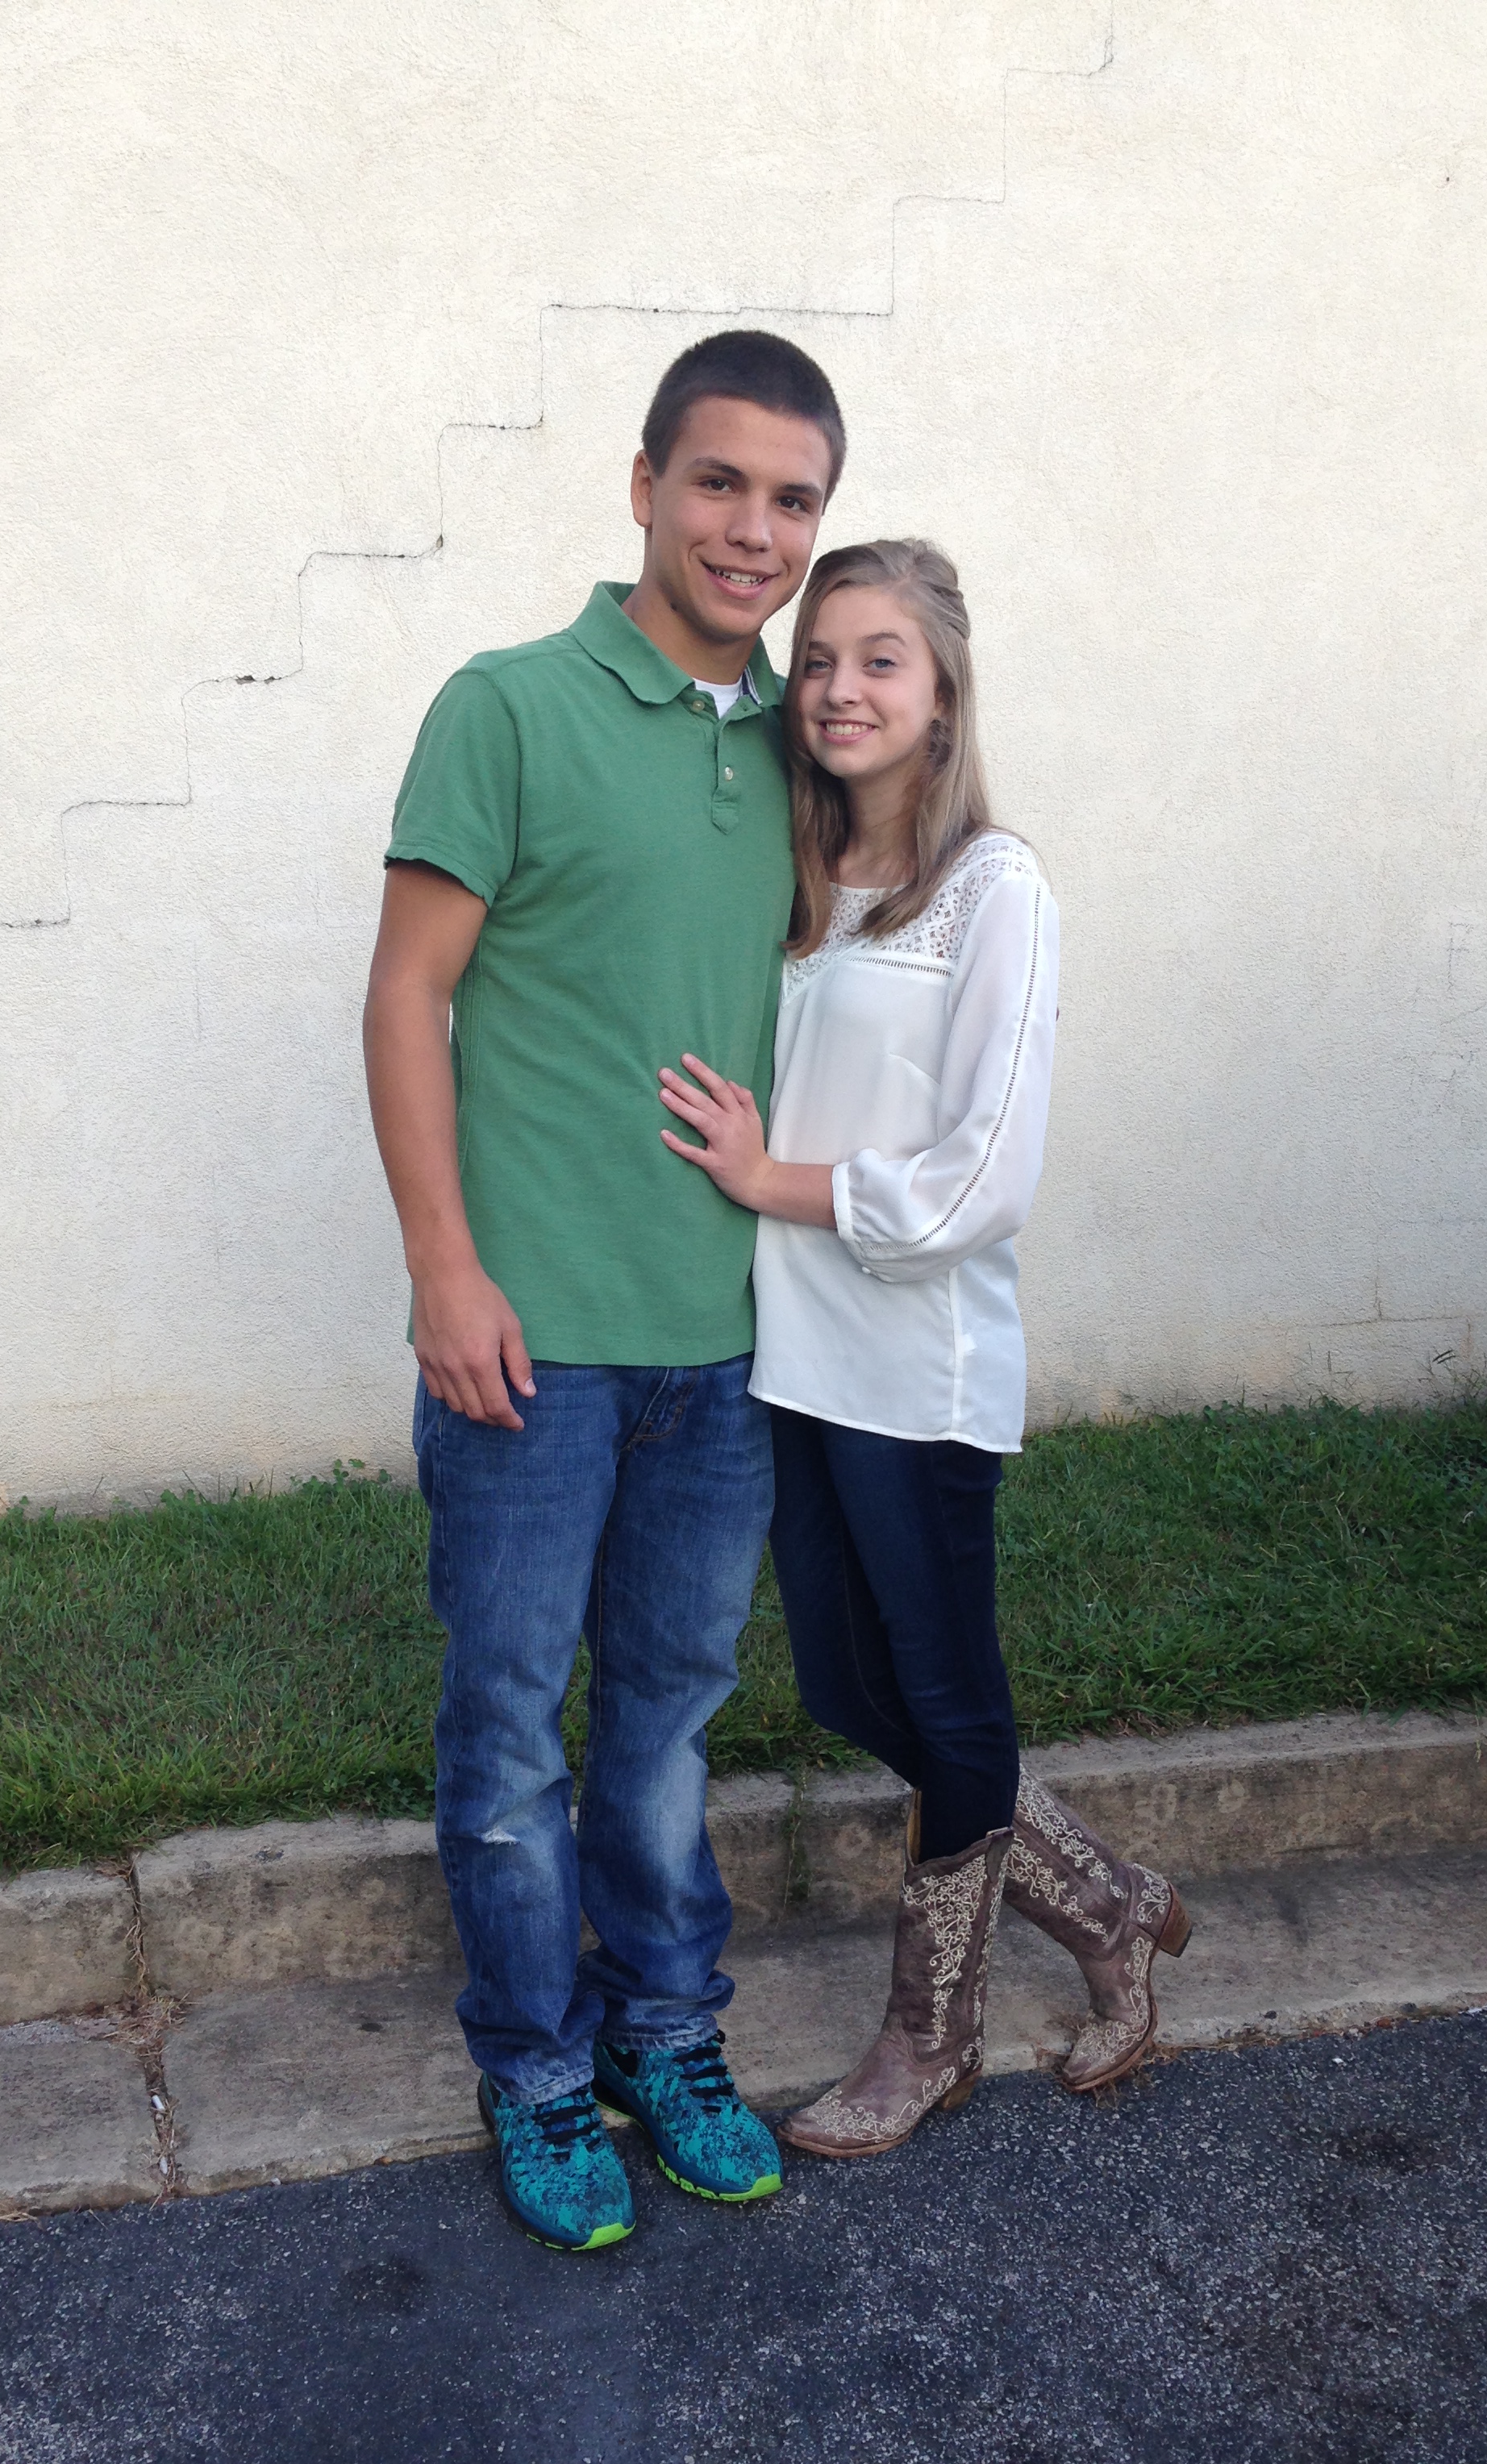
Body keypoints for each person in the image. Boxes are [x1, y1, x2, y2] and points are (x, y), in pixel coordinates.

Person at [363, 331, 844, 2249]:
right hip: (531, 1343)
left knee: (663, 1727)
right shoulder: (508, 707)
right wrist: (444, 1270)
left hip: (724, 1346)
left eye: (793, 499)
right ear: (644, 485)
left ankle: (666, 2036)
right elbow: (407, 993)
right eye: (719, 481)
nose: (752, 529)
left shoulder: (805, 750)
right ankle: (536, 2070)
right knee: (507, 1734)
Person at [657, 538, 1191, 2160]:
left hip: (916, 1371)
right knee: (848, 1682)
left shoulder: (994, 889)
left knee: (949, 1700)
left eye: (878, 660)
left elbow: (981, 1178)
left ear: (943, 693)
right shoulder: (806, 884)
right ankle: (1108, 1906)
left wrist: (770, 1181)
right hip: (792, 1356)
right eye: (818, 659)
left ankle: (930, 2034)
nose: (837, 688)